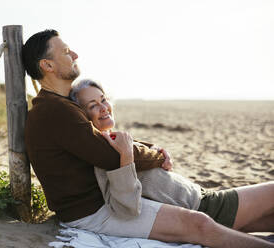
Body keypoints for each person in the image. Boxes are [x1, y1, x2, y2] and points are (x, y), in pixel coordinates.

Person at [22, 29, 274, 247]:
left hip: (101, 204)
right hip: (93, 212)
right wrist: (156, 154)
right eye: (66, 51)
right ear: (48, 65)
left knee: (219, 219)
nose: (74, 55)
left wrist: (149, 147)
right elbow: (110, 154)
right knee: (199, 223)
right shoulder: (55, 110)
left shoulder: (60, 105)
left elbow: (107, 143)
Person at [69, 78, 274, 229]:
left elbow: (142, 156)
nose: (104, 108)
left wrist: (156, 152)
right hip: (206, 207)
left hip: (200, 196)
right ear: (83, 116)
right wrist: (127, 158)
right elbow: (126, 207)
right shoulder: (103, 155)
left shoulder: (114, 141)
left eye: (103, 100)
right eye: (93, 105)